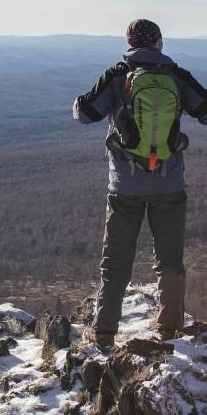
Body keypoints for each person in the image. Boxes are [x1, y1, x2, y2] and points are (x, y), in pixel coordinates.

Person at [73, 19, 207, 352]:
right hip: (169, 184)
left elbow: (85, 114)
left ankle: (105, 333)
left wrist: (78, 102)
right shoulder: (177, 76)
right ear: (159, 42)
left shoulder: (116, 76)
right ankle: (170, 331)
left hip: (124, 188)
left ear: (130, 43)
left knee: (116, 261)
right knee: (170, 261)